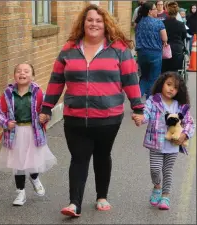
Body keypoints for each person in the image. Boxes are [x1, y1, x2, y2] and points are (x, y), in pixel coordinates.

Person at [39, 3, 144, 217]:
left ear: (105, 24)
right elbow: (56, 80)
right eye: (90, 20)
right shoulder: (69, 48)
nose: (94, 24)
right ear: (83, 23)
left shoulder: (119, 49)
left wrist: (138, 107)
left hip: (108, 117)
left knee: (102, 155)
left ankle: (101, 196)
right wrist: (47, 107)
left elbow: (130, 80)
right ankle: (74, 203)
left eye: (98, 20)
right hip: (75, 116)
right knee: (79, 158)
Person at [0, 64, 57, 206]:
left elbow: (46, 110)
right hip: (14, 134)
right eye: (18, 71)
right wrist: (6, 123)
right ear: (14, 76)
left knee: (32, 160)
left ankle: (34, 179)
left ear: (32, 76)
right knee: (18, 164)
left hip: (33, 133)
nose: (22, 73)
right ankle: (20, 192)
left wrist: (45, 116)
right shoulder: (7, 94)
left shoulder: (39, 92)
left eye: (26, 71)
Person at [132, 71, 195, 210]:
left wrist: (185, 134)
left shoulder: (180, 106)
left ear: (179, 91)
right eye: (168, 84)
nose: (171, 89)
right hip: (156, 144)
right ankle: (157, 187)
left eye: (175, 87)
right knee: (155, 169)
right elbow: (146, 114)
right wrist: (141, 119)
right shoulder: (153, 101)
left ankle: (165, 196)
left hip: (172, 145)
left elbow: (190, 123)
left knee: (168, 171)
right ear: (162, 84)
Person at [135, 2, 168, 99]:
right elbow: (165, 38)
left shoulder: (139, 23)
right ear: (149, 11)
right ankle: (150, 100)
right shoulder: (158, 22)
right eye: (155, 9)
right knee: (153, 78)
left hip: (141, 53)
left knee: (144, 77)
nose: (157, 10)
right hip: (155, 53)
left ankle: (136, 99)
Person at [161, 2, 187, 73]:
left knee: (163, 72)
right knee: (174, 73)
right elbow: (184, 36)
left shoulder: (162, 23)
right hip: (177, 50)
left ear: (167, 11)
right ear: (176, 12)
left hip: (165, 49)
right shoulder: (181, 24)